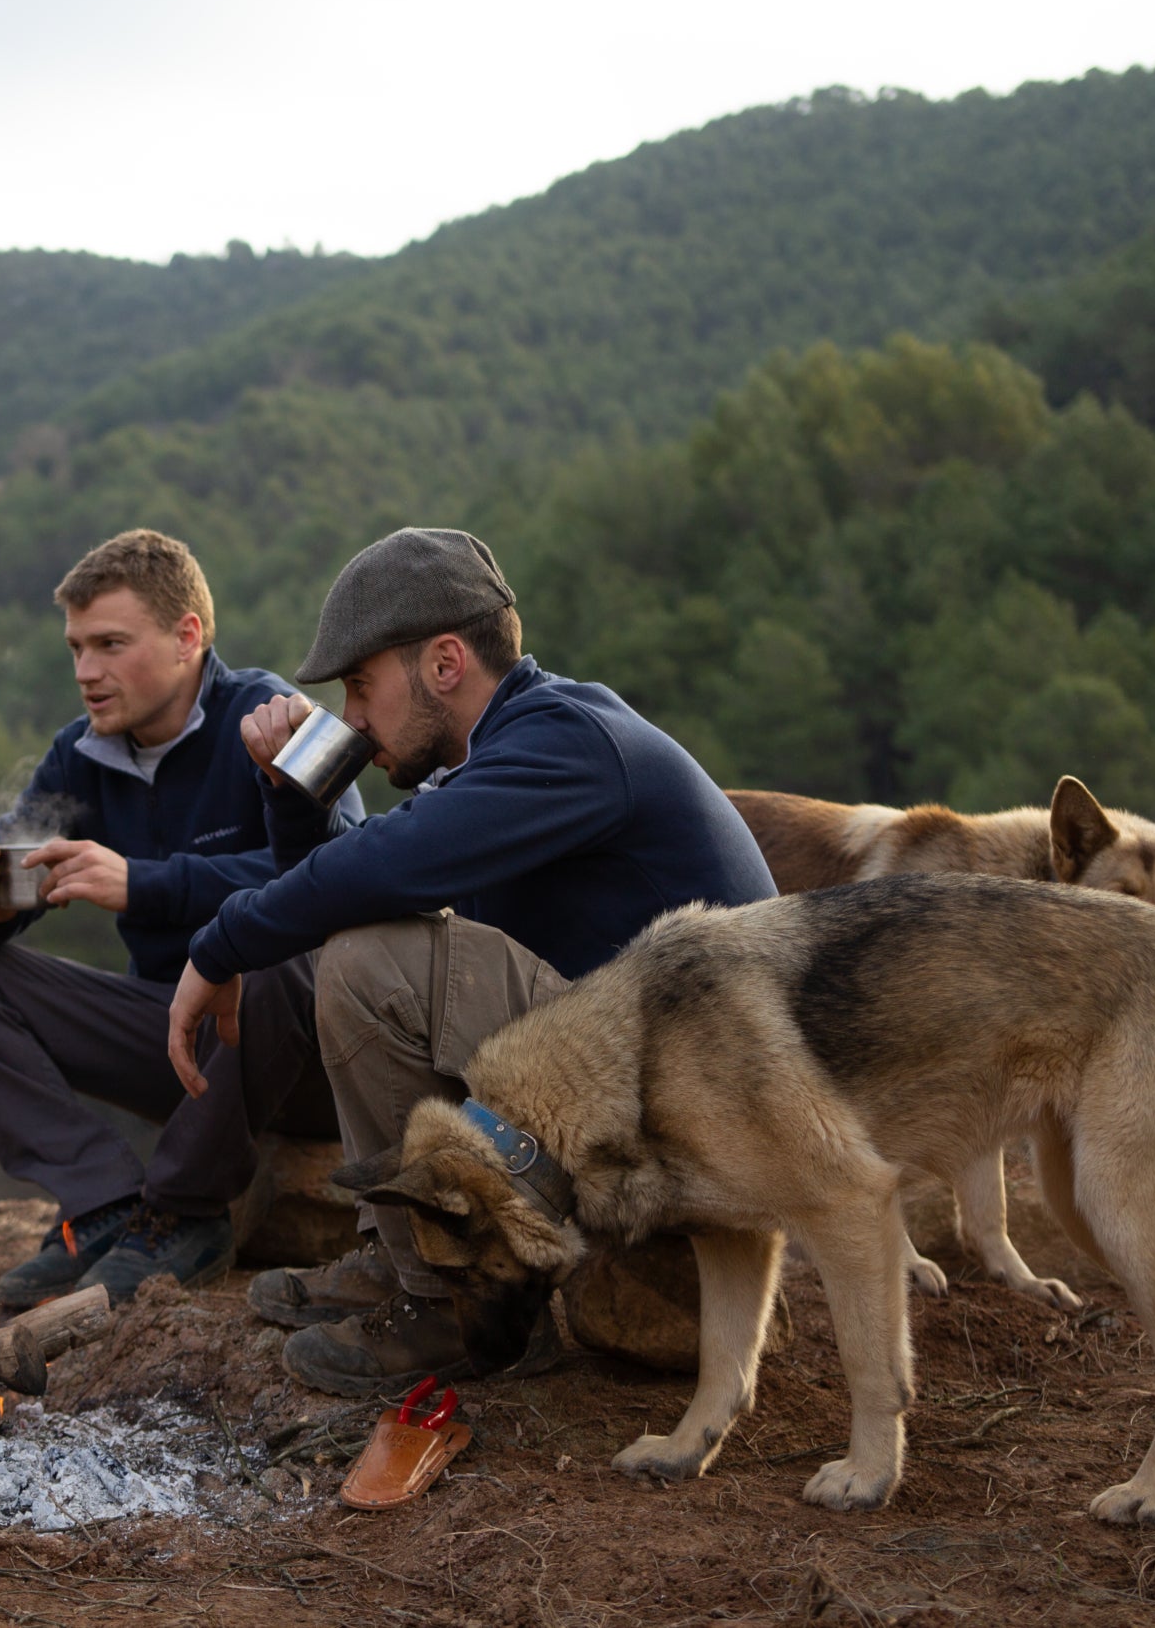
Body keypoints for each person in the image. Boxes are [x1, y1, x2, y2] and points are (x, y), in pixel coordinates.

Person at [166, 527, 778, 1395]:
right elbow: (361, 873)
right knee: (372, 949)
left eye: (361, 686)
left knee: (367, 967)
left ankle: (444, 1300)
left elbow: (377, 874)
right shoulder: (500, 754)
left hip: (710, 1115)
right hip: (649, 1078)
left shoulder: (564, 743)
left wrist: (217, 945)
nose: (354, 719)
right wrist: (297, 793)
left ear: (445, 662)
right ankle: (399, 1259)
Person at [0, 529, 364, 1310]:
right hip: (178, 1047)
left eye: (111, 644)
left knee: (273, 949)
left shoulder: (278, 714)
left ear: (188, 636)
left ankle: (185, 1212)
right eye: (77, 648)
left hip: (309, 1051)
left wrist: (146, 885)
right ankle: (109, 1205)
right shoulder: (82, 755)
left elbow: (348, 872)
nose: (86, 672)